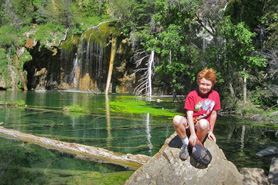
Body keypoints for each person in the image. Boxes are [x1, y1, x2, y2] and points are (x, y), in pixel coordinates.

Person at [173, 67, 221, 160]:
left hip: (201, 127)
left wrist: (211, 131)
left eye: (208, 85)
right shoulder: (192, 95)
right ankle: (186, 143)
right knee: (176, 119)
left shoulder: (215, 95)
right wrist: (192, 134)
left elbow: (214, 114)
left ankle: (196, 145)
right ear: (198, 82)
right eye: (202, 84)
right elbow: (189, 114)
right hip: (190, 124)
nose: (205, 87)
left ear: (212, 85)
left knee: (203, 124)